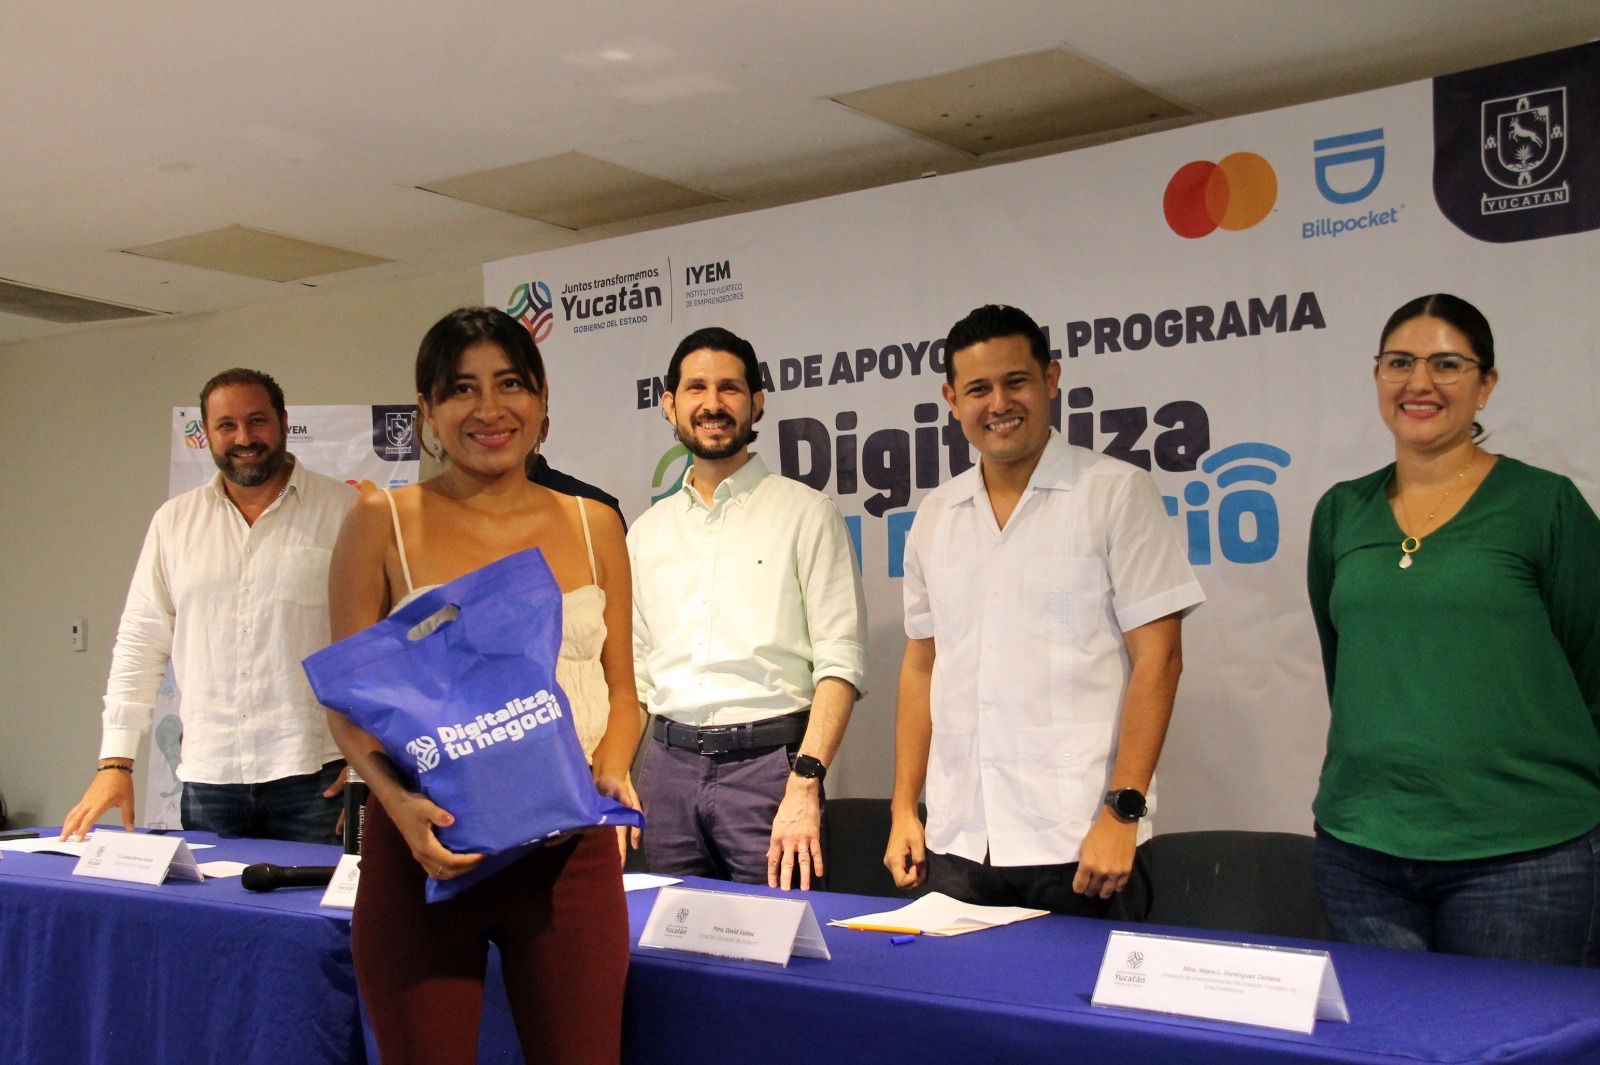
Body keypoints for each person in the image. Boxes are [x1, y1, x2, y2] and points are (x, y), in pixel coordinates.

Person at [325, 307, 639, 1064]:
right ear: (427, 411)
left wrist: (610, 771)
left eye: (510, 384)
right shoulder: (380, 521)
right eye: (462, 388)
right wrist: (399, 809)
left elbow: (624, 691)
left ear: (541, 399)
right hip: (423, 848)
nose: (489, 409)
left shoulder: (595, 523)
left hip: (570, 855)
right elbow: (346, 701)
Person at [1308, 293, 1600, 966]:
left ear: (1485, 384)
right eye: (1399, 362)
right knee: (1384, 1029)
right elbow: (1344, 668)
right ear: (1377, 376)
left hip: (1525, 858)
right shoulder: (1341, 512)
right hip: (1361, 854)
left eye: (1446, 364)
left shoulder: (1544, 505)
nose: (1419, 382)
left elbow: (1593, 670)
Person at [884, 304, 1204, 916]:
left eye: (1016, 382)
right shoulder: (935, 515)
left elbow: (1160, 660)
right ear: (952, 400)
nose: (999, 403)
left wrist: (1123, 812)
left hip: (1083, 842)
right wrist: (904, 807)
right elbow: (922, 666)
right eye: (978, 389)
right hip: (959, 842)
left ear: (1051, 380)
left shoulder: (1115, 493)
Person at [61, 369, 355, 843]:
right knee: (214, 896)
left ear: (283, 422)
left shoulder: (347, 511)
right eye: (226, 425)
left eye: (257, 421)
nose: (244, 438)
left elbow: (382, 641)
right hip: (209, 783)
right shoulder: (174, 523)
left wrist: (373, 759)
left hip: (317, 777)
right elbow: (140, 642)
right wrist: (115, 762)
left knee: (315, 896)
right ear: (206, 435)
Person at [629, 326, 867, 890]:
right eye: (696, 388)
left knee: (782, 935)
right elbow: (636, 676)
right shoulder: (645, 532)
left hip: (771, 772)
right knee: (671, 936)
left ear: (757, 402)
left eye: (730, 388)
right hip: (666, 774)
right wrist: (615, 777)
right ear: (669, 405)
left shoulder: (808, 514)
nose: (712, 404)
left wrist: (805, 781)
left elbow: (840, 663)